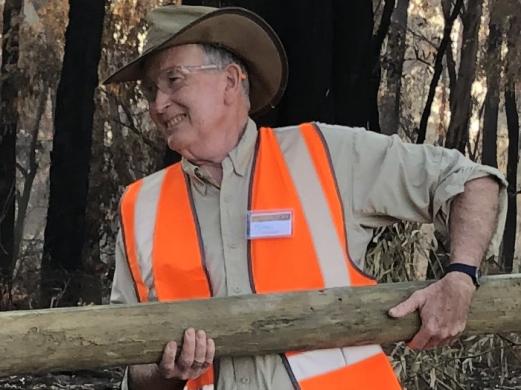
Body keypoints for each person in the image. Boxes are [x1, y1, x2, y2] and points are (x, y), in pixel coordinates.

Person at [105, 4, 507, 390]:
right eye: (151, 90)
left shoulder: (328, 154)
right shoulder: (139, 206)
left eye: (173, 80)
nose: (158, 104)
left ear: (230, 81)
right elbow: (133, 366)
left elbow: (471, 180)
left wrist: (461, 278)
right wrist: (165, 372)